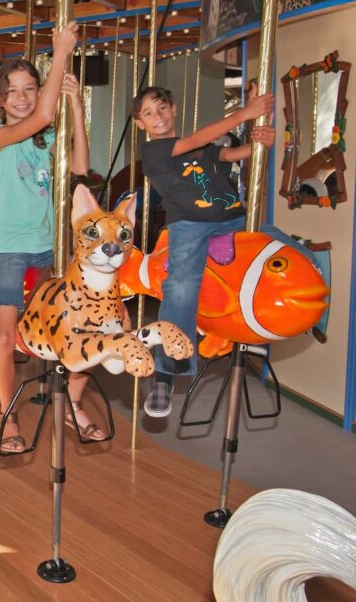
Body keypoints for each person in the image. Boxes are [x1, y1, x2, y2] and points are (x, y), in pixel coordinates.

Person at [132, 83, 314, 417]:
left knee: (295, 251)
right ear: (140, 123)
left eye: (162, 109)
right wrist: (244, 113)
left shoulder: (195, 150)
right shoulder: (154, 152)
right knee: (181, 284)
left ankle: (304, 312)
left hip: (234, 219)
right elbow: (198, 139)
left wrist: (260, 139)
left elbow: (229, 154)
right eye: (148, 113)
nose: (157, 117)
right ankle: (165, 374)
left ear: (173, 111)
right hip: (189, 224)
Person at [0, 23, 102, 454]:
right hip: (8, 248)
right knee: (3, 335)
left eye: (30, 88)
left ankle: (72, 401)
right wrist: (61, 52)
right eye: (12, 90)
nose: (21, 95)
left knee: (84, 323)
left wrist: (76, 106)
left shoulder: (46, 138)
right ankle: (7, 413)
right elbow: (42, 116)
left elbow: (82, 166)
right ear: (0, 100)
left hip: (49, 244)